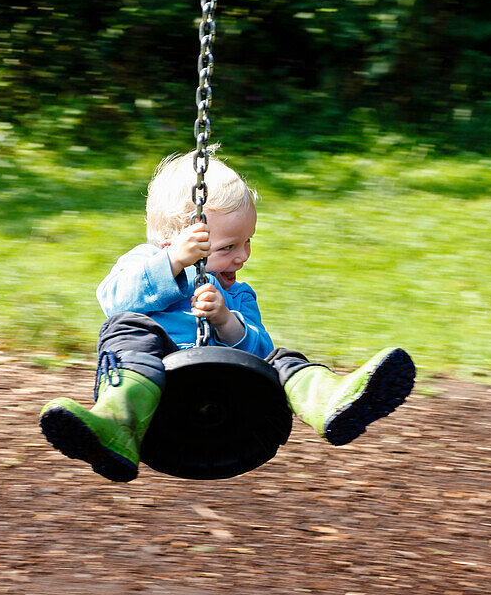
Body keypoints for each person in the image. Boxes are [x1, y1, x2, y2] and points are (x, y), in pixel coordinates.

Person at [39, 149, 415, 482]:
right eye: (228, 247)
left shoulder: (237, 293)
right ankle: (116, 423)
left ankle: (332, 402)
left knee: (282, 359)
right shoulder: (146, 263)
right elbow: (114, 301)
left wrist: (225, 320)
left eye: (247, 241)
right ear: (178, 241)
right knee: (127, 326)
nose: (243, 256)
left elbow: (259, 348)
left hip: (230, 389)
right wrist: (172, 264)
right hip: (161, 387)